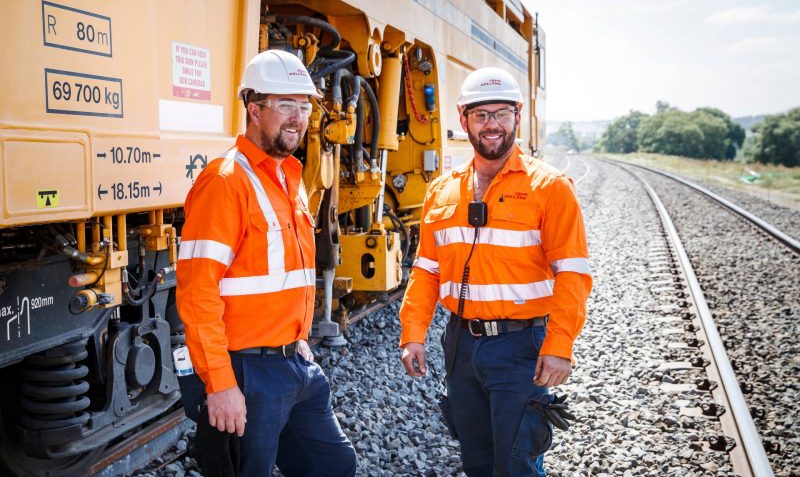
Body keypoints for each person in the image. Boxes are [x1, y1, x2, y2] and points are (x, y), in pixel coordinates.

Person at [399, 67, 592, 476]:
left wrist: (559, 345)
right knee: (477, 461)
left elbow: (573, 273)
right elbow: (426, 270)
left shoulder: (549, 187)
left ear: (518, 117)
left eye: (501, 114)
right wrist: (413, 334)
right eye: (481, 114)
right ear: (463, 118)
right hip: (461, 345)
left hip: (521, 348)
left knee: (517, 463)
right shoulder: (443, 189)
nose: (492, 125)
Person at [177, 49, 357, 476]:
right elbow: (197, 291)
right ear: (253, 109)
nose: (298, 117)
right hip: (247, 372)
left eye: (304, 105)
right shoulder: (225, 183)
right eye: (285, 105)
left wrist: (298, 338)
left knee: (333, 465)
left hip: (294, 362)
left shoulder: (286, 178)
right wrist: (220, 383)